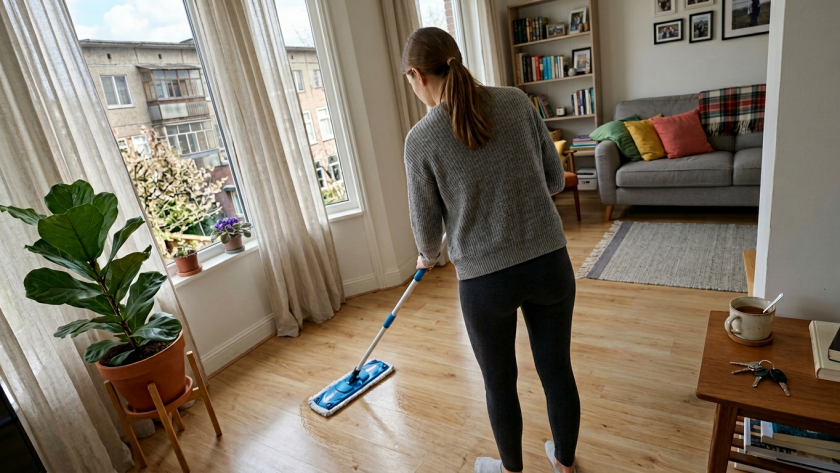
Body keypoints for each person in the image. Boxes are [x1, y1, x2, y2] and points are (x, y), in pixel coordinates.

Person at [401, 27, 579, 473]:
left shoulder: (420, 140)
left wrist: (425, 253)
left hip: (485, 284)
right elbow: (556, 180)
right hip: (549, 264)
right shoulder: (517, 102)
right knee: (556, 370)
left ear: (416, 75)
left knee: (500, 384)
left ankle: (510, 471)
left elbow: (426, 236)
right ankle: (564, 464)